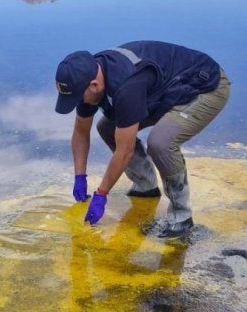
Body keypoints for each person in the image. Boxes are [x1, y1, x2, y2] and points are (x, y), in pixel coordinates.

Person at [54, 40, 230, 238]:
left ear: (94, 85)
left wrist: (101, 194)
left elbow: (125, 150)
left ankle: (181, 217)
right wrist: (79, 176)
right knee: (106, 127)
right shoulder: (88, 77)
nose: (79, 103)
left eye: (78, 98)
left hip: (204, 87)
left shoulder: (126, 86)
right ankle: (146, 186)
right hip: (164, 89)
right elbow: (80, 132)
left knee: (160, 143)